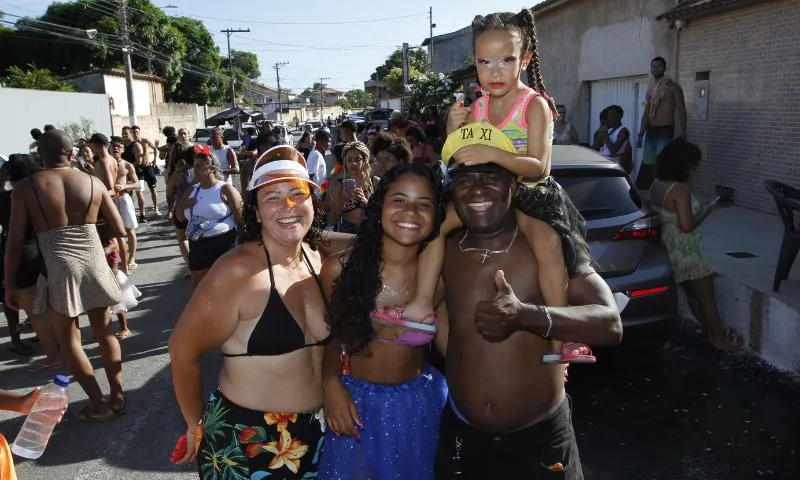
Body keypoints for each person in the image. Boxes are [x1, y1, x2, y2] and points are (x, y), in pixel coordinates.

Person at [404, 9, 594, 365]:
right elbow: (458, 157)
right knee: (437, 226)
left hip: (529, 196)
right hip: (486, 196)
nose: (494, 71)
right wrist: (451, 130)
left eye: (506, 60)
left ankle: (560, 331)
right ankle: (422, 303)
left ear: (525, 59)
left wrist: (494, 151)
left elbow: (540, 167)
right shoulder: (476, 107)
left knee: (549, 243)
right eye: (484, 61)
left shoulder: (534, 106)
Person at [432, 142, 623, 479]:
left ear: (513, 185)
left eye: (491, 178)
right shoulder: (442, 248)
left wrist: (525, 316)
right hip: (462, 436)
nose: (477, 189)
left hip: (540, 439)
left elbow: (610, 324)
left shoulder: (548, 244)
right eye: (465, 180)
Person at [169, 146, 332, 477]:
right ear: (255, 211)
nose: (288, 206)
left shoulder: (318, 258)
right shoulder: (236, 272)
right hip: (247, 439)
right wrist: (194, 424)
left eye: (297, 194)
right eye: (272, 197)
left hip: (317, 434)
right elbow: (182, 350)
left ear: (312, 202)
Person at [319, 163, 449, 479]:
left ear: (437, 216)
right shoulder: (340, 270)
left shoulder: (439, 279)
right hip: (355, 405)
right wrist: (330, 383)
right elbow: (331, 337)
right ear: (379, 206)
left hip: (418, 406)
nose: (410, 212)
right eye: (399, 200)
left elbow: (454, 352)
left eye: (424, 204)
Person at [4, 130, 126, 421]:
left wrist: (9, 284)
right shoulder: (93, 182)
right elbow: (119, 228)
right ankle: (118, 396)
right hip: (94, 260)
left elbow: (15, 243)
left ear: (40, 156)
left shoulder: (26, 187)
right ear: (72, 154)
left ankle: (98, 404)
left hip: (58, 265)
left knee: (70, 341)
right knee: (105, 331)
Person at [649, 138, 741, 349]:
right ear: (683, 167)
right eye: (694, 167)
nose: (695, 172)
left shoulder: (656, 185)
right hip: (688, 252)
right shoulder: (680, 190)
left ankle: (709, 331)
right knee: (706, 297)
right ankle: (719, 338)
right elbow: (687, 225)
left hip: (670, 249)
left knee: (693, 294)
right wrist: (707, 210)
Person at [1, 155, 61, 367]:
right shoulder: (44, 191)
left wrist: (9, 285)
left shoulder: (10, 197)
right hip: (47, 250)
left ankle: (53, 356)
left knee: (36, 312)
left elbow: (14, 243)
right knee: (53, 306)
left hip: (24, 257)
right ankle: (62, 349)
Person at [174, 145, 243, 289]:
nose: (195, 170)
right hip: (198, 244)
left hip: (223, 243)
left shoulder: (225, 189)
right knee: (199, 288)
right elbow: (179, 218)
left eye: (199, 166)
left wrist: (244, 245)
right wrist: (183, 205)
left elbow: (240, 217)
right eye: (194, 166)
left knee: (226, 288)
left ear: (212, 168)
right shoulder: (191, 190)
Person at [636, 56, 687, 190]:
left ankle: (667, 193)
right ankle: (656, 191)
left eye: (659, 66)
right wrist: (641, 134)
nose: (656, 68)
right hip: (650, 133)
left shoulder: (673, 87)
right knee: (650, 166)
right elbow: (646, 112)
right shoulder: (650, 91)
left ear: (664, 68)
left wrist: (683, 131)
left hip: (665, 131)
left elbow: (681, 108)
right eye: (653, 66)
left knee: (665, 165)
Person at [326, 142, 378, 233]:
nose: (353, 163)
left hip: (370, 232)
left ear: (365, 160)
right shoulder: (338, 184)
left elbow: (383, 214)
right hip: (346, 232)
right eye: (349, 160)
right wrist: (343, 199)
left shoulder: (374, 182)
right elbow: (333, 219)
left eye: (357, 159)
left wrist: (366, 203)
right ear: (345, 162)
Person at [107, 136, 140, 272]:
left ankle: (131, 258)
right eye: (113, 146)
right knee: (114, 232)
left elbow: (137, 183)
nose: (115, 148)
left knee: (129, 229)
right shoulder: (105, 164)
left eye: (118, 146)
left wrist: (125, 186)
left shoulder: (127, 165)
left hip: (123, 199)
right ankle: (120, 260)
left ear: (123, 149)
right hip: (110, 200)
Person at [166, 141, 198, 278]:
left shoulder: (177, 174)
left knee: (182, 239)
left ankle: (191, 267)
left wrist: (170, 209)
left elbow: (169, 193)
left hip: (181, 211)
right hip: (199, 208)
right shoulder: (200, 171)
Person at [130, 126, 161, 217]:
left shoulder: (145, 141)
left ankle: (156, 208)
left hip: (147, 167)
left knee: (153, 189)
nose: (135, 134)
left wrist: (155, 159)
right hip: (138, 169)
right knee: (140, 191)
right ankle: (142, 212)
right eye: (133, 132)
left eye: (136, 132)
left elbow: (155, 149)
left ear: (139, 132)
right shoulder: (132, 144)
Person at [594, 105, 632, 173]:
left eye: (612, 114)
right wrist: (600, 132)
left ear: (620, 116)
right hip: (604, 165)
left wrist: (605, 135)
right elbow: (594, 148)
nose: (609, 117)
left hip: (617, 168)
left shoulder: (623, 131)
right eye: (608, 115)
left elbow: (613, 150)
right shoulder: (608, 131)